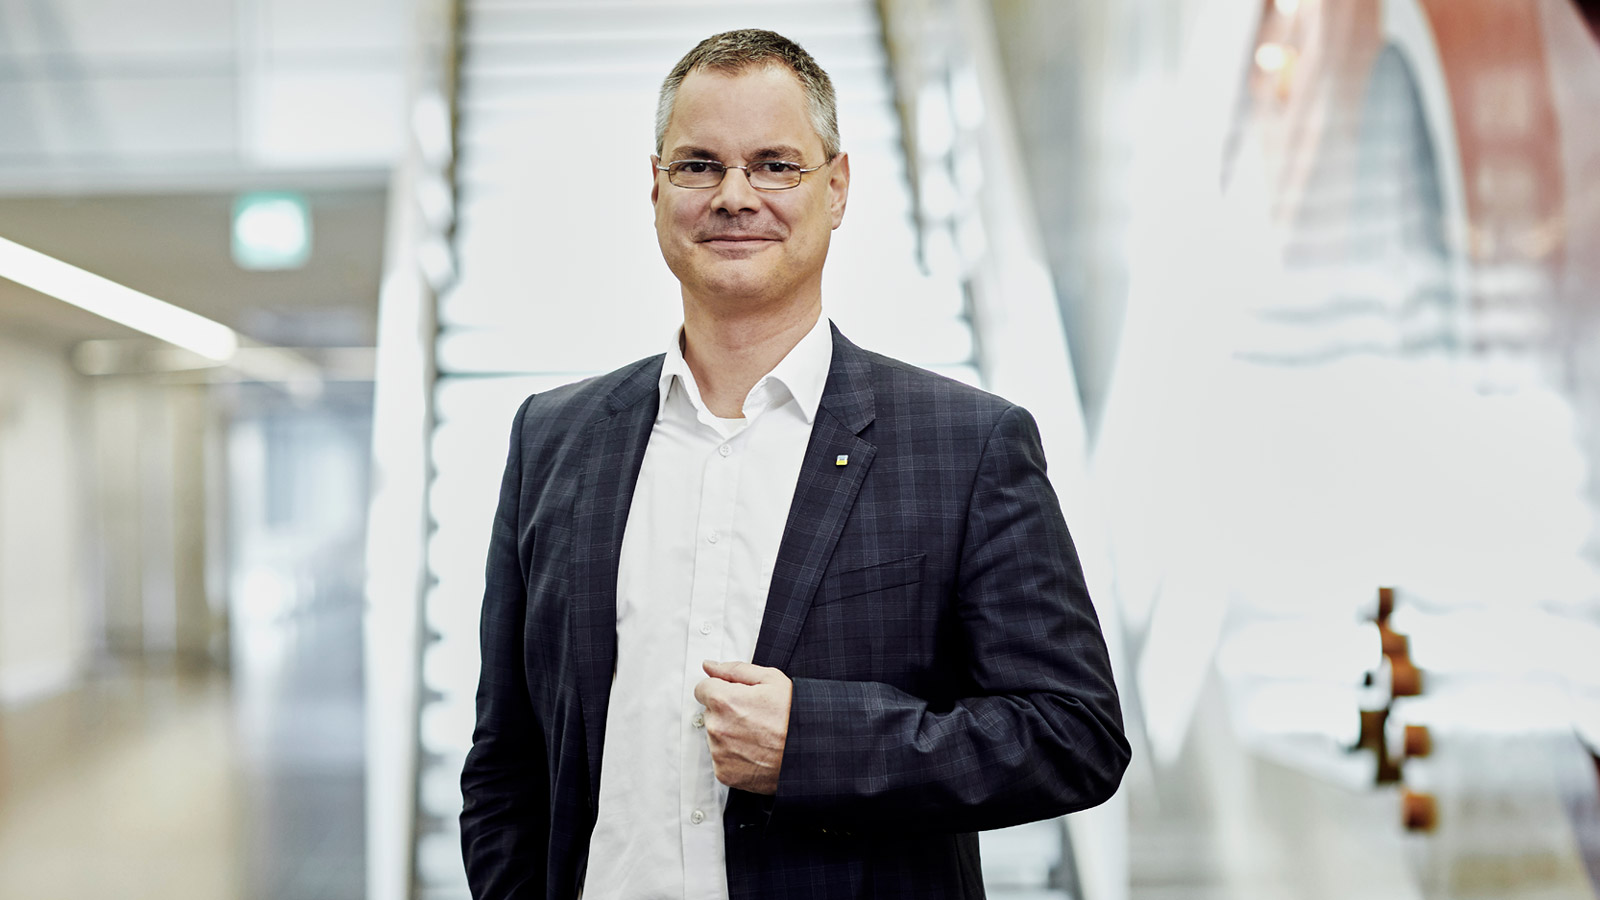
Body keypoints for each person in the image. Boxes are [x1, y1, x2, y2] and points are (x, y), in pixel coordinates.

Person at [460, 28, 1129, 900]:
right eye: (699, 165)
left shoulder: (967, 445)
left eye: (775, 165)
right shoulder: (554, 442)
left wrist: (813, 743)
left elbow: (1074, 735)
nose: (734, 196)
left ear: (837, 187)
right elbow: (505, 762)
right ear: (656, 187)